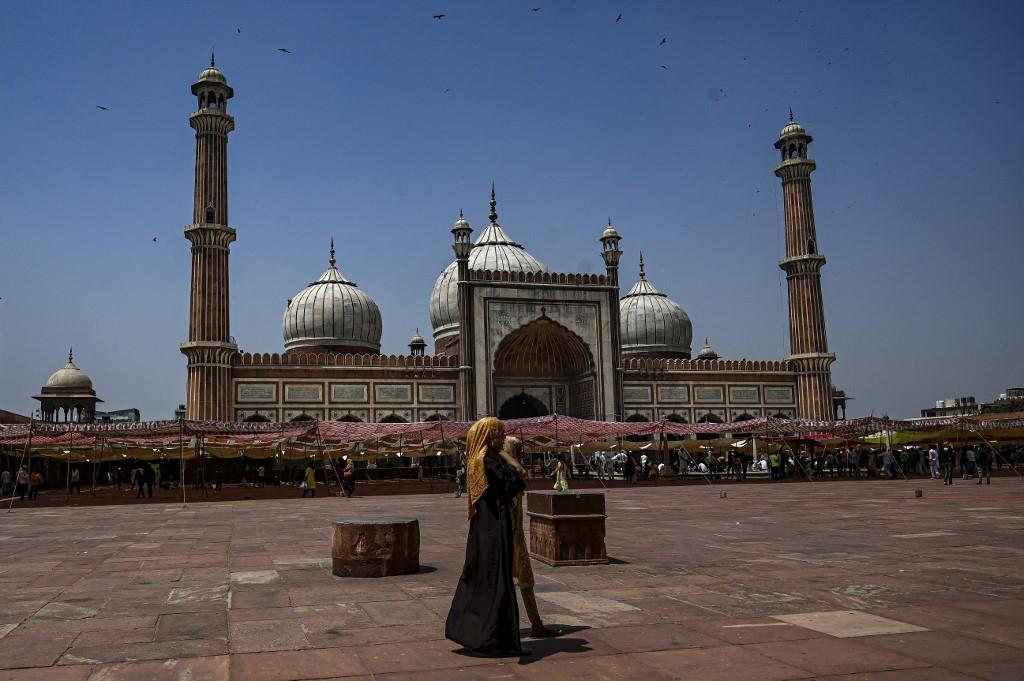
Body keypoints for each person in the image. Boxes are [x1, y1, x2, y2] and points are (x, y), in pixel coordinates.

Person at [445, 417, 526, 656]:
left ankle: (488, 636)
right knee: (495, 577)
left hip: (483, 527)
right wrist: (508, 456)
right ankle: (491, 639)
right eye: (499, 433)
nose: (503, 437)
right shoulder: (489, 458)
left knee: (484, 576)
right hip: (494, 526)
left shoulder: (477, 458)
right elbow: (517, 479)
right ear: (490, 435)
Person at [501, 437, 561, 639]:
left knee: (518, 583)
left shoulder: (503, 474)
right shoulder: (507, 475)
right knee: (519, 583)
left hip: (510, 541)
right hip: (509, 542)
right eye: (517, 451)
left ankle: (532, 625)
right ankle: (522, 626)